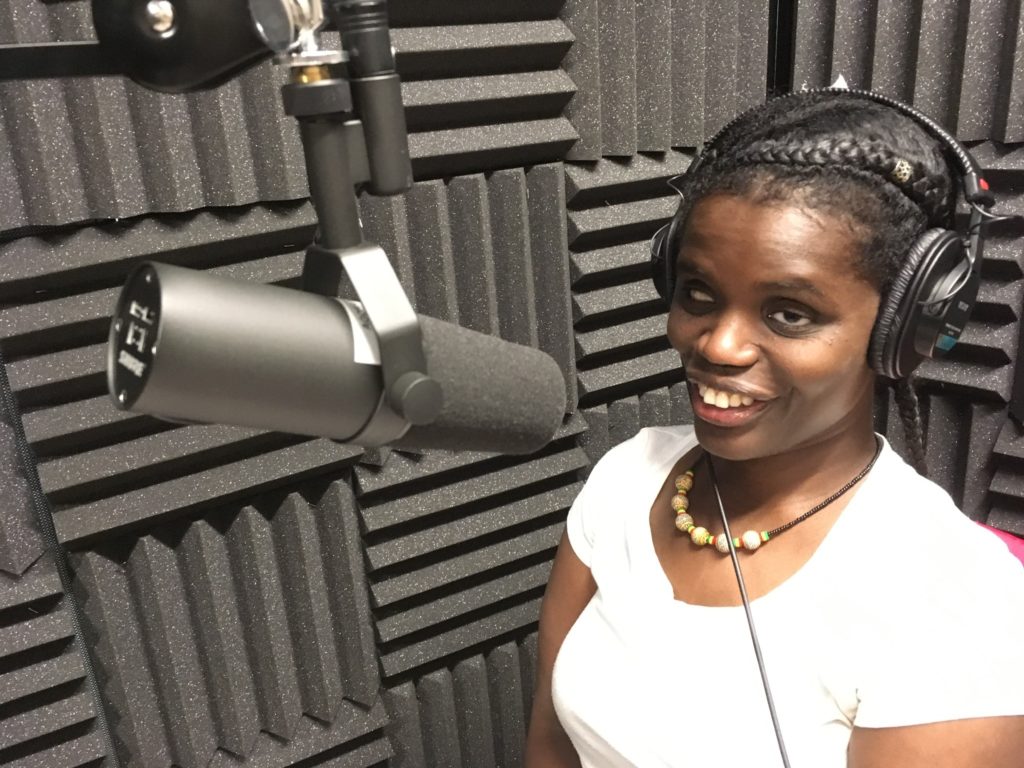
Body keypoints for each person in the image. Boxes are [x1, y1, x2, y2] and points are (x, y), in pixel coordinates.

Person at [525, 90, 1024, 767]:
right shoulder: (625, 480)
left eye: (789, 313)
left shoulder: (956, 607)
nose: (718, 345)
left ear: (901, 330)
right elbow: (550, 747)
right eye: (697, 293)